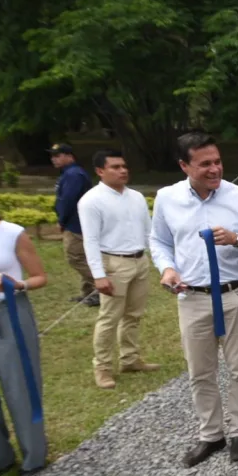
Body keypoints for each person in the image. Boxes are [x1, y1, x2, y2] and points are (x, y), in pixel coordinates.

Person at [149, 132, 238, 467]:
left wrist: (237, 239)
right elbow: (159, 241)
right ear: (183, 165)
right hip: (191, 298)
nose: (215, 169)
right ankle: (211, 435)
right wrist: (167, 269)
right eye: (205, 164)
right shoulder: (166, 198)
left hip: (236, 296)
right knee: (200, 371)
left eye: (217, 161)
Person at [0, 177, 49, 476]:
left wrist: (13, 284)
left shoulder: (11, 233)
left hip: (10, 313)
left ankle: (34, 457)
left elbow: (39, 277)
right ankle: (0, 456)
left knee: (20, 388)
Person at [78, 149, 160, 389]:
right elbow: (90, 240)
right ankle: (102, 367)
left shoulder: (136, 197)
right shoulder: (91, 200)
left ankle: (130, 358)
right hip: (113, 262)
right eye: (115, 167)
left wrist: (158, 261)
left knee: (134, 314)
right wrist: (99, 275)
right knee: (109, 317)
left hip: (139, 260)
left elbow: (149, 232)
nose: (122, 170)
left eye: (124, 166)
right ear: (100, 171)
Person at [50, 142, 97, 306]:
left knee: (75, 257)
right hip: (76, 222)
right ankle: (89, 292)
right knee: (84, 257)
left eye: (58, 155)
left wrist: (61, 220)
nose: (53, 159)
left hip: (76, 223)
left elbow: (68, 200)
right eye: (52, 156)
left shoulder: (73, 174)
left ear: (69, 156)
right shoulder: (69, 173)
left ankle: (99, 287)